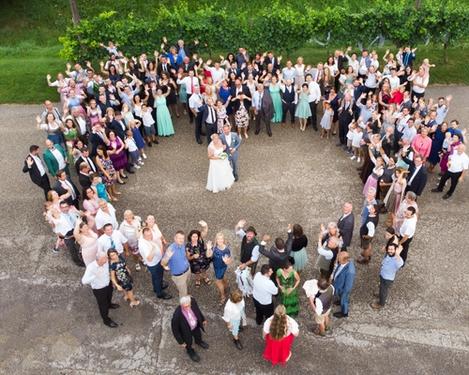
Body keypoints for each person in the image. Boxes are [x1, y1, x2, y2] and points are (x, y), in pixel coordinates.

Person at [81, 254, 119, 328]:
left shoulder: (105, 263)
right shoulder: (91, 267)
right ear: (99, 260)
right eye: (105, 259)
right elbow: (84, 281)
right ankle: (106, 320)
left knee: (109, 296)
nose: (107, 260)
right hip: (99, 289)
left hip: (108, 285)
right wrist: (95, 276)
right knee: (103, 305)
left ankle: (110, 305)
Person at [171, 296, 209, 363]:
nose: (188, 308)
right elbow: (175, 330)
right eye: (186, 306)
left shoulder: (192, 301)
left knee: (198, 335)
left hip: (195, 325)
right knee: (188, 342)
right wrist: (181, 342)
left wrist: (203, 319)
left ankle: (199, 341)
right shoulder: (177, 315)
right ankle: (190, 351)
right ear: (181, 305)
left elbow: (198, 310)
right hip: (186, 331)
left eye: (189, 305)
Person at [139, 227, 172, 300]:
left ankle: (156, 288)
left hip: (157, 261)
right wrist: (153, 249)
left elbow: (141, 230)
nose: (150, 236)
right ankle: (159, 293)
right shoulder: (143, 245)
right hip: (154, 264)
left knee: (155, 277)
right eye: (147, 235)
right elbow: (149, 258)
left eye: (150, 234)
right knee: (158, 278)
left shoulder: (143, 237)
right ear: (143, 235)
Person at [370, 243, 404, 310]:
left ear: (395, 250)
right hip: (383, 275)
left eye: (392, 249)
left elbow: (401, 264)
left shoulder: (397, 259)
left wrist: (397, 254)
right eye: (389, 249)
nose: (390, 251)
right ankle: (380, 294)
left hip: (387, 279)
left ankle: (381, 304)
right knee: (381, 287)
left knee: (383, 291)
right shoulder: (388, 254)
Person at [161, 231, 191, 299]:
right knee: (183, 295)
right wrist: (167, 257)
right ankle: (184, 306)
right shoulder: (170, 250)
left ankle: (182, 291)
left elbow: (184, 255)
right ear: (175, 238)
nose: (181, 240)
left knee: (185, 286)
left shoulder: (182, 245)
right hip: (179, 276)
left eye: (182, 238)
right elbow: (162, 263)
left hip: (187, 270)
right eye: (179, 238)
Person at [186, 221, 212, 288]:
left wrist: (205, 226)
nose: (195, 238)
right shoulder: (188, 246)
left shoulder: (199, 240)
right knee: (197, 273)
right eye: (193, 237)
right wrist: (193, 256)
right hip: (195, 263)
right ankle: (198, 280)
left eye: (196, 237)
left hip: (203, 259)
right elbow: (188, 258)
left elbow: (204, 232)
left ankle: (205, 278)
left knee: (204, 270)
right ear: (190, 237)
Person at [208, 232, 233, 305]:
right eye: (218, 239)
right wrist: (209, 249)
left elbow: (229, 261)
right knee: (222, 277)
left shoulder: (226, 250)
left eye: (221, 239)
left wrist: (226, 262)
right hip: (216, 266)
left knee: (218, 282)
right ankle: (225, 285)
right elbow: (208, 255)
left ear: (223, 240)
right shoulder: (214, 247)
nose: (220, 240)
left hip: (221, 268)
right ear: (216, 239)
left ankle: (223, 296)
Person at [332, 251, 356, 318]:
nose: (337, 260)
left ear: (344, 260)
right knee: (341, 297)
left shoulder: (350, 271)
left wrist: (344, 293)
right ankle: (340, 301)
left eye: (339, 259)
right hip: (339, 286)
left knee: (344, 300)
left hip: (343, 289)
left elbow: (348, 286)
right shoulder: (343, 262)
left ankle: (344, 313)